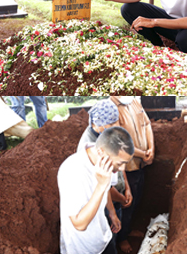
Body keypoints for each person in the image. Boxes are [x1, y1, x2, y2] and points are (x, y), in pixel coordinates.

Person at [58, 126, 134, 254]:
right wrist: (101, 185)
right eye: (120, 163)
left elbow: (107, 189)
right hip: (82, 247)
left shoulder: (106, 160)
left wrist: (112, 213)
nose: (122, 169)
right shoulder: (71, 171)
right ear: (101, 152)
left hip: (103, 237)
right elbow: (79, 224)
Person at [77, 100, 132, 254]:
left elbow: (121, 163)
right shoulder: (90, 147)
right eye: (112, 126)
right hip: (103, 205)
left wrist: (127, 187)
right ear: (100, 124)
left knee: (115, 230)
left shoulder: (107, 136)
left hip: (116, 197)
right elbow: (103, 186)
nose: (116, 129)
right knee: (108, 242)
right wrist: (120, 200)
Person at [109, 97, 155, 254]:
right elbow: (118, 141)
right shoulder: (112, 108)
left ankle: (128, 230)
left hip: (141, 163)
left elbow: (147, 124)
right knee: (127, 203)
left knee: (137, 199)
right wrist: (144, 154)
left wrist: (151, 148)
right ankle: (122, 239)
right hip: (126, 167)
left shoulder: (134, 102)